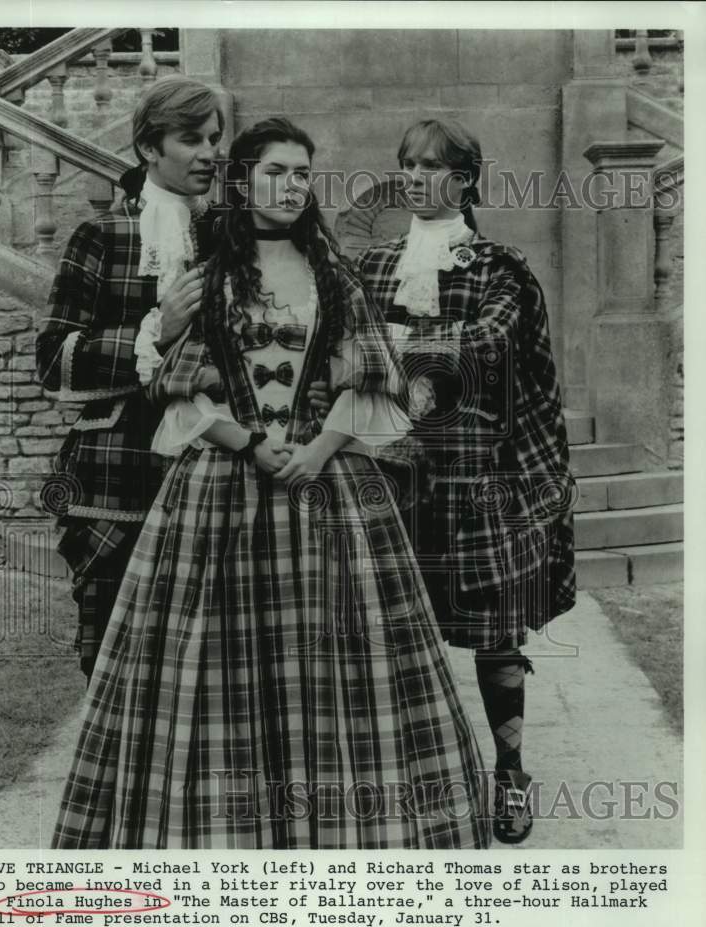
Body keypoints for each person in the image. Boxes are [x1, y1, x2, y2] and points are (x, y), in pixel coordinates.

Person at [52, 117, 491, 850]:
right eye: (277, 171)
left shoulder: (334, 273)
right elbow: (180, 388)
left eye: (303, 174)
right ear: (242, 180)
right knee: (219, 668)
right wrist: (253, 444)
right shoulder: (206, 274)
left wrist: (317, 451)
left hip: (331, 487)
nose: (293, 186)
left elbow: (373, 381)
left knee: (333, 665)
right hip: (221, 488)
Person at [355, 119, 576, 844]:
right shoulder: (377, 264)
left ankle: (508, 775)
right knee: (383, 628)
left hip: (475, 471)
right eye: (407, 165)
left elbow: (489, 344)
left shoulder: (496, 266)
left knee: (494, 636)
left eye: (433, 167)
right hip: (388, 471)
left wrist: (395, 348)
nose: (417, 178)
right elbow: (342, 340)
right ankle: (403, 780)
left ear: (466, 178)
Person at [36, 76, 224, 681]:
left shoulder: (227, 236)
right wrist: (156, 331)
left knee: (208, 667)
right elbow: (53, 356)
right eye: (190, 139)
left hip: (214, 470)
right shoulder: (102, 235)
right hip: (115, 478)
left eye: (214, 139)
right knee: (113, 659)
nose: (208, 153)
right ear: (149, 147)